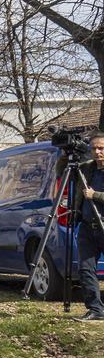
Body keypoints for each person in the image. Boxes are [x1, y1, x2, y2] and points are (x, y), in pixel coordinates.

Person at [68, 132, 104, 321]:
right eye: (94, 148)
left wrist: (95, 195)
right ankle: (96, 309)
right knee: (85, 268)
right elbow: (61, 172)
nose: (97, 152)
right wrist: (66, 155)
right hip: (88, 227)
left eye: (101, 148)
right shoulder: (87, 169)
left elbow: (92, 195)